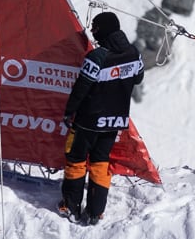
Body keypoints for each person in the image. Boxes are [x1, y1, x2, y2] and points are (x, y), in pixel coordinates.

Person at [60, 12, 143, 226]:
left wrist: (69, 111)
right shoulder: (134, 53)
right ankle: (96, 212)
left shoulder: (97, 57)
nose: (93, 32)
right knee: (100, 162)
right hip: (115, 121)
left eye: (95, 28)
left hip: (88, 120)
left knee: (76, 160)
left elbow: (81, 88)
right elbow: (138, 78)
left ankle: (71, 206)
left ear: (102, 30)